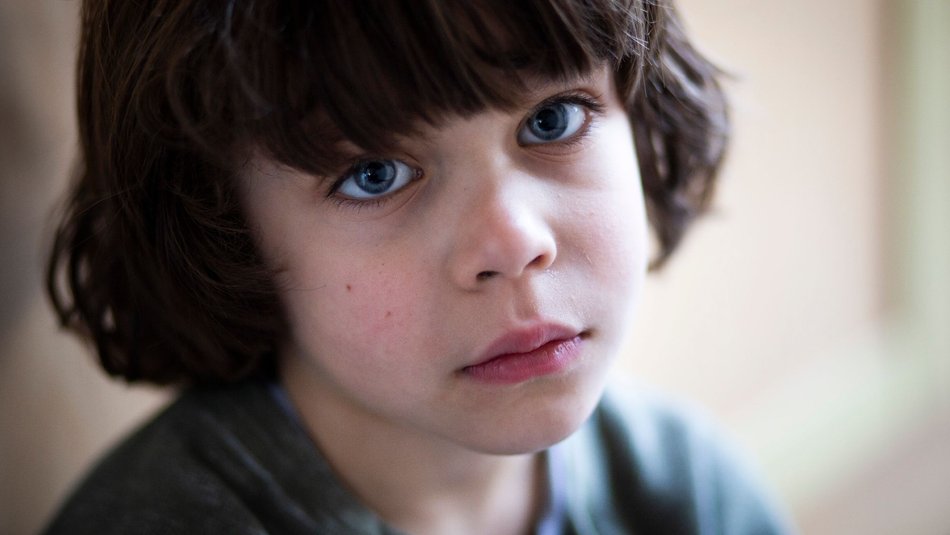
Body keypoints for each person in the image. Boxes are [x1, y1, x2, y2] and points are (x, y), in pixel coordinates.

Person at [43, 1, 791, 533]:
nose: (514, 243)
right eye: (376, 175)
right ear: (226, 231)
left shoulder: (691, 492)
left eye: (552, 119)